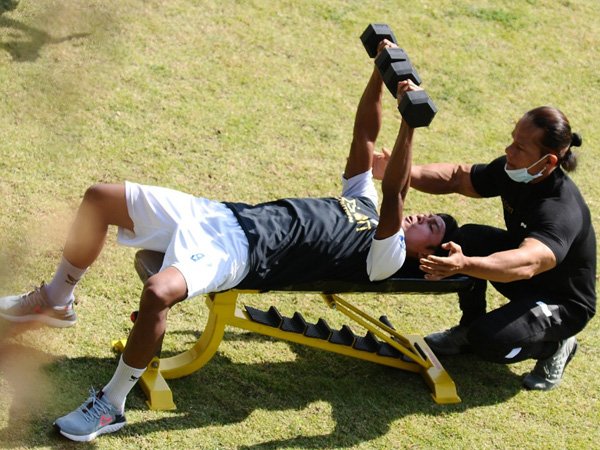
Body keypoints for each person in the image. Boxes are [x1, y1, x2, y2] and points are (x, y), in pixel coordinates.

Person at [0, 41, 457, 441]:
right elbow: (363, 136)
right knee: (100, 199)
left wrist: (410, 123)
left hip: (237, 254)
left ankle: (111, 405)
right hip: (221, 214)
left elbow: (397, 193)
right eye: (429, 214)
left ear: (423, 252)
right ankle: (57, 300)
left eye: (430, 226)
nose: (422, 215)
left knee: (159, 292)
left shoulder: (387, 256)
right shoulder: (362, 201)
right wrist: (380, 73)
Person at [408, 106, 595, 392]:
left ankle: (554, 346)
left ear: (547, 162)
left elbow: (526, 263)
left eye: (520, 147)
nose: (509, 150)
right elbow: (459, 177)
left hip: (562, 302)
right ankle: (468, 327)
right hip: (528, 278)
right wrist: (402, 172)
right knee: (467, 237)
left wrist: (464, 264)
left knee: (491, 340)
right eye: (512, 139)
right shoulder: (515, 170)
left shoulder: (560, 210)